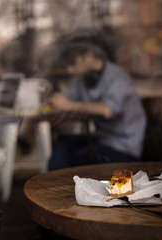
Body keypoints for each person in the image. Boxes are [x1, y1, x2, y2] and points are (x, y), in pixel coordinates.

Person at [47, 41, 146, 170]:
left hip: (123, 147)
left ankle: (62, 187)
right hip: (102, 139)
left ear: (89, 56)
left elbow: (107, 110)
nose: (69, 70)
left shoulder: (118, 78)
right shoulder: (81, 79)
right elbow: (67, 102)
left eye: (73, 64)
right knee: (63, 143)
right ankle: (52, 187)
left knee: (77, 158)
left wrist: (69, 105)